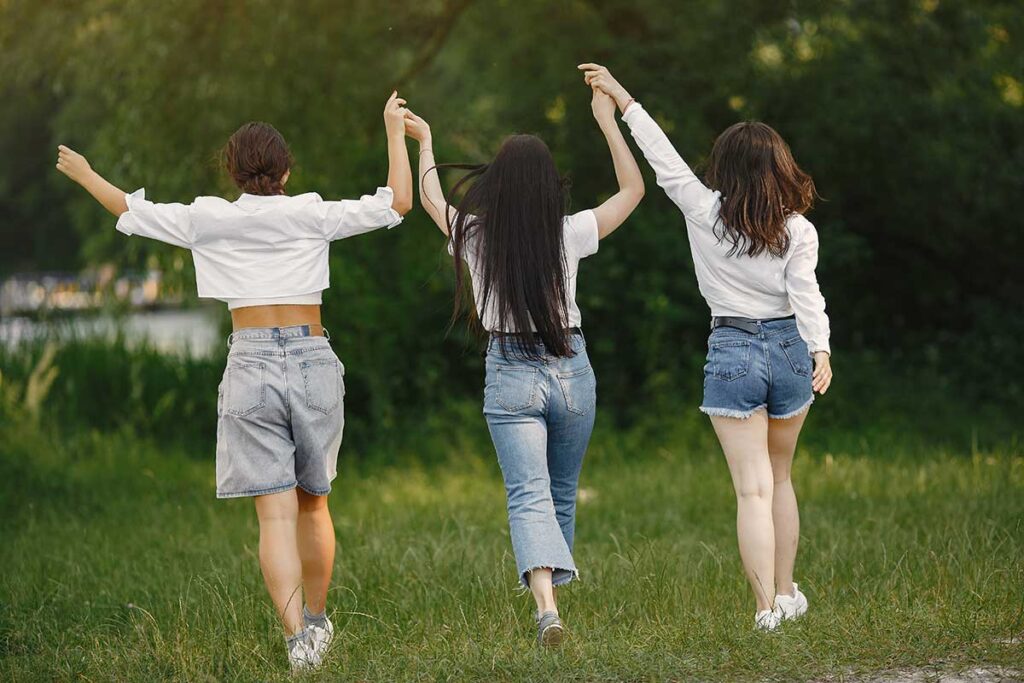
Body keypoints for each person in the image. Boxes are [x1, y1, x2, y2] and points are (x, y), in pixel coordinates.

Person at [54, 92, 414, 670]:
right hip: (311, 354)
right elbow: (398, 203)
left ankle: (298, 640)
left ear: (233, 173)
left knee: (273, 515)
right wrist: (395, 132)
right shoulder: (310, 210)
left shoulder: (208, 217)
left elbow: (129, 211)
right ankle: (319, 626)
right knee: (314, 505)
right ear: (286, 171)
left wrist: (87, 173)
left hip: (249, 362)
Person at [580, 63, 833, 631]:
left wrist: (622, 97)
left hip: (733, 351)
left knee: (751, 490)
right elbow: (806, 294)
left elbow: (663, 158)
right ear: (780, 167)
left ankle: (766, 607)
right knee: (782, 479)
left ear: (725, 168)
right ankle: (788, 592)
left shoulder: (704, 210)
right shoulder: (799, 230)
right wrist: (820, 350)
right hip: (792, 350)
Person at [402, 84, 644, 645]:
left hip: (510, 372)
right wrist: (608, 120)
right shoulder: (570, 232)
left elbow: (433, 201)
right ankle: (552, 601)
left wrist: (426, 142)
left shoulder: (477, 235)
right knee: (559, 490)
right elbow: (633, 189)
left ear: (499, 185)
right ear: (547, 184)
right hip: (571, 368)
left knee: (528, 494)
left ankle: (547, 610)